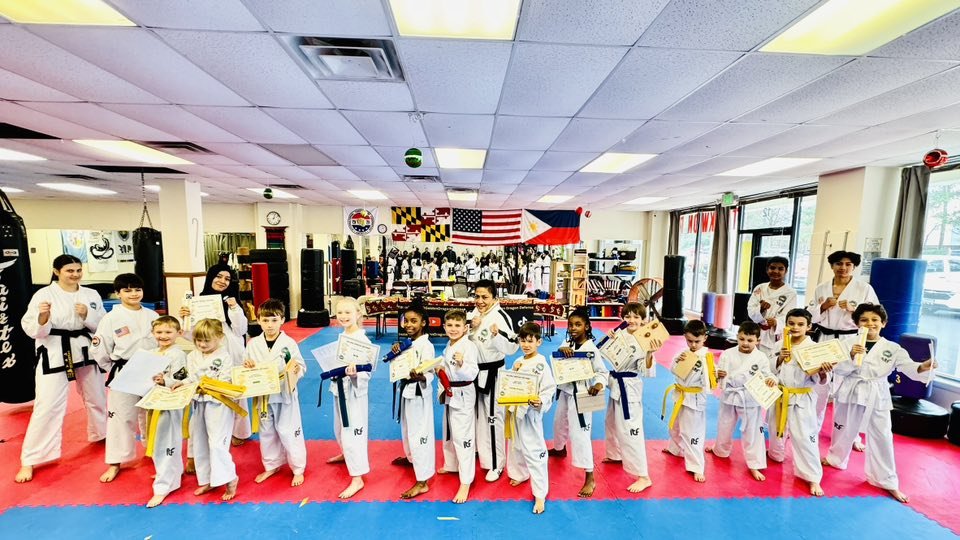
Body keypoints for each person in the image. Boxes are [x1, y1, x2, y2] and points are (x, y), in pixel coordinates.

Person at [823, 303, 936, 503]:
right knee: (843, 427)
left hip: (877, 392)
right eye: (864, 320)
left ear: (883, 323)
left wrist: (922, 367)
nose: (870, 323)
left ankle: (886, 480)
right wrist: (849, 357)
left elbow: (908, 367)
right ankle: (836, 458)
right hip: (851, 388)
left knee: (882, 435)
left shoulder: (892, 348)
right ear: (857, 323)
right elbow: (837, 370)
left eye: (875, 320)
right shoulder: (847, 343)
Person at [16, 254, 107, 483]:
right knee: (47, 405)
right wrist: (43, 317)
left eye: (78, 270)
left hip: (85, 348)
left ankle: (102, 434)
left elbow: (102, 325)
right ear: (57, 272)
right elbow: (33, 329)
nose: (75, 274)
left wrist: (87, 316)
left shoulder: (90, 294)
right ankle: (31, 458)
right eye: (69, 270)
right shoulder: (44, 295)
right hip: (55, 350)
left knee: (96, 396)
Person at [91, 273, 159, 483]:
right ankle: (115, 462)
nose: (133, 294)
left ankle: (154, 450)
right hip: (124, 369)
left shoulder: (152, 316)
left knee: (153, 414)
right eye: (127, 290)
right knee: (120, 417)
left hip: (152, 369)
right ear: (118, 293)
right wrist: (111, 368)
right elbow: (100, 349)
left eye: (137, 289)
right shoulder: (111, 318)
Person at [808, 250, 878, 448]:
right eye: (839, 263)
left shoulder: (864, 288)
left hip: (850, 340)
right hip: (825, 338)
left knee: (847, 389)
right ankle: (810, 429)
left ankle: (851, 436)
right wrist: (822, 308)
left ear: (854, 267)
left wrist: (855, 310)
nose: (843, 268)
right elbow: (810, 316)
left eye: (848, 264)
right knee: (819, 386)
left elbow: (875, 315)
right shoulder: (822, 288)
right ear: (832, 266)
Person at [179, 263, 250, 447]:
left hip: (232, 351)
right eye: (218, 276)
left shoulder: (232, 301)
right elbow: (191, 335)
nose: (222, 281)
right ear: (210, 277)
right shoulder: (198, 301)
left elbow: (241, 329)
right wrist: (185, 317)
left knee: (236, 392)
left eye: (227, 278)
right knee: (210, 393)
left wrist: (234, 308)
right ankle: (212, 429)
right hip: (208, 355)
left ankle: (240, 431)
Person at [243, 299, 307, 487]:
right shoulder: (253, 344)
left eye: (273, 320)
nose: (269, 325)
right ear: (259, 321)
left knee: (289, 430)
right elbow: (246, 364)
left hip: (285, 392)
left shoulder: (289, 343)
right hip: (263, 393)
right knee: (266, 431)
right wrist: (248, 366)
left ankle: (298, 468)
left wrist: (294, 372)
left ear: (282, 320)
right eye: (265, 320)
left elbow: (301, 366)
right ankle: (272, 465)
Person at [767, 308, 831, 497]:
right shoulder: (780, 344)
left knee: (804, 436)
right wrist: (779, 358)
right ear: (786, 324)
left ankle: (812, 477)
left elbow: (823, 379)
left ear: (809, 327)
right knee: (774, 427)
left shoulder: (814, 348)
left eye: (800, 324)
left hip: (802, 397)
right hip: (780, 394)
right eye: (791, 323)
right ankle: (775, 454)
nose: (795, 327)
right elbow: (769, 368)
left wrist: (823, 371)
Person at [179, 319, 241, 501]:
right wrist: (179, 384)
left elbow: (224, 381)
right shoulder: (192, 356)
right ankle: (206, 479)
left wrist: (201, 384)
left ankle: (230, 478)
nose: (202, 344)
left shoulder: (225, 357)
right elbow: (190, 378)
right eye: (198, 340)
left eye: (207, 340)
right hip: (199, 402)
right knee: (199, 441)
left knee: (216, 443)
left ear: (219, 338)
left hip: (218, 404)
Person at [708, 321, 778, 481]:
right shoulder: (728, 353)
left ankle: (755, 464)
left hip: (750, 398)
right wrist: (718, 374)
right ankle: (720, 450)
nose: (745, 343)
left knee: (753, 432)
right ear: (737, 337)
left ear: (758, 341)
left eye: (750, 340)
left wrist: (771, 380)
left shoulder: (761, 358)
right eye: (741, 339)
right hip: (729, 395)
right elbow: (718, 371)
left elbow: (768, 375)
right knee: (724, 425)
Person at [549, 308, 606, 497]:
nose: (573, 328)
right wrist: (560, 350)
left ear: (587, 327)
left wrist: (598, 384)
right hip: (566, 390)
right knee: (559, 423)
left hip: (583, 394)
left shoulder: (592, 349)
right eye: (570, 324)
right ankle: (559, 449)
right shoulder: (568, 342)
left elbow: (602, 372)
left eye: (578, 325)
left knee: (580, 433)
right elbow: (557, 361)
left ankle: (590, 477)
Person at [603, 302, 657, 493]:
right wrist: (609, 339)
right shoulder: (621, 334)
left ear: (643, 320)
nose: (631, 320)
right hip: (615, 384)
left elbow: (647, 371)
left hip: (630, 389)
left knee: (631, 429)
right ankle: (615, 454)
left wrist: (650, 353)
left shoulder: (646, 339)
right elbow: (605, 355)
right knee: (610, 422)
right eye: (628, 316)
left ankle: (644, 476)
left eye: (636, 317)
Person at [468, 279, 519, 482]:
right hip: (474, 372)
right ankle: (485, 458)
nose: (480, 301)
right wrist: (471, 326)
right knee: (480, 418)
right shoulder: (475, 313)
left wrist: (497, 335)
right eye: (477, 296)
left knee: (493, 419)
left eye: (484, 297)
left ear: (495, 298)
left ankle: (498, 464)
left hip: (493, 373)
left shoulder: (499, 316)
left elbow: (513, 346)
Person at [324, 297, 372, 499]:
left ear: (358, 314)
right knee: (339, 427)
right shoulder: (342, 336)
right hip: (339, 389)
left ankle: (357, 477)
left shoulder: (363, 341)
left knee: (353, 433)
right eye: (340, 312)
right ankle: (345, 454)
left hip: (353, 392)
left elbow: (367, 372)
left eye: (348, 313)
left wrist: (354, 375)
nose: (343, 316)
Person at [505, 322, 555, 514]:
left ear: (539, 342)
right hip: (515, 411)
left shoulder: (542, 363)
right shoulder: (519, 361)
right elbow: (509, 384)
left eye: (530, 341)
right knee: (516, 446)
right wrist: (514, 371)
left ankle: (540, 494)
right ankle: (519, 473)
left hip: (531, 414)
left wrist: (540, 401)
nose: (525, 345)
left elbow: (549, 388)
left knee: (535, 451)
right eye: (522, 341)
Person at [390, 302, 436, 499]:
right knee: (407, 429)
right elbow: (397, 366)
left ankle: (423, 480)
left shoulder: (426, 345)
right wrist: (395, 354)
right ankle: (411, 458)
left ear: (423, 323)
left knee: (420, 434)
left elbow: (431, 370)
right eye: (406, 321)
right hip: (406, 391)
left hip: (418, 392)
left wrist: (422, 377)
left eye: (414, 321)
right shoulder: (407, 343)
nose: (408, 324)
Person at [662, 320, 716, 483]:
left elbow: (710, 383)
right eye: (689, 341)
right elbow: (672, 369)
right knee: (675, 427)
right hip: (680, 396)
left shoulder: (707, 358)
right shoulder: (683, 353)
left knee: (693, 434)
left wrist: (717, 375)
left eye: (697, 341)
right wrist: (679, 360)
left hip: (695, 400)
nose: (693, 345)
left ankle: (697, 467)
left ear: (705, 338)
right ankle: (675, 449)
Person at [144, 316, 189, 508]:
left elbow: (182, 380)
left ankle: (163, 486)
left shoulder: (178, 354)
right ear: (153, 334)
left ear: (179, 334)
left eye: (168, 332)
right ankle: (172, 471)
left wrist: (165, 382)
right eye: (159, 332)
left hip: (170, 403)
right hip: (154, 401)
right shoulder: (151, 353)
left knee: (166, 441)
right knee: (156, 440)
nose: (163, 336)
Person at [437, 309, 480, 504]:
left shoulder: (469, 346)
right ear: (444, 327)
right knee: (449, 431)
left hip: (463, 393)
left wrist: (462, 365)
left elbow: (472, 374)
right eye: (450, 325)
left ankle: (466, 481)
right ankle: (452, 464)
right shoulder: (449, 344)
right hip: (450, 392)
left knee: (463, 437)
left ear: (465, 328)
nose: (453, 329)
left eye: (457, 326)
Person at [747, 256, 797, 356]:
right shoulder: (760, 288)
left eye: (780, 269)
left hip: (775, 334)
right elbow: (750, 309)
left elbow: (790, 316)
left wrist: (776, 322)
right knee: (754, 360)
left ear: (786, 271)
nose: (776, 271)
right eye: (772, 268)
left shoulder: (790, 293)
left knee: (772, 363)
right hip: (758, 331)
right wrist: (760, 309)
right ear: (767, 270)